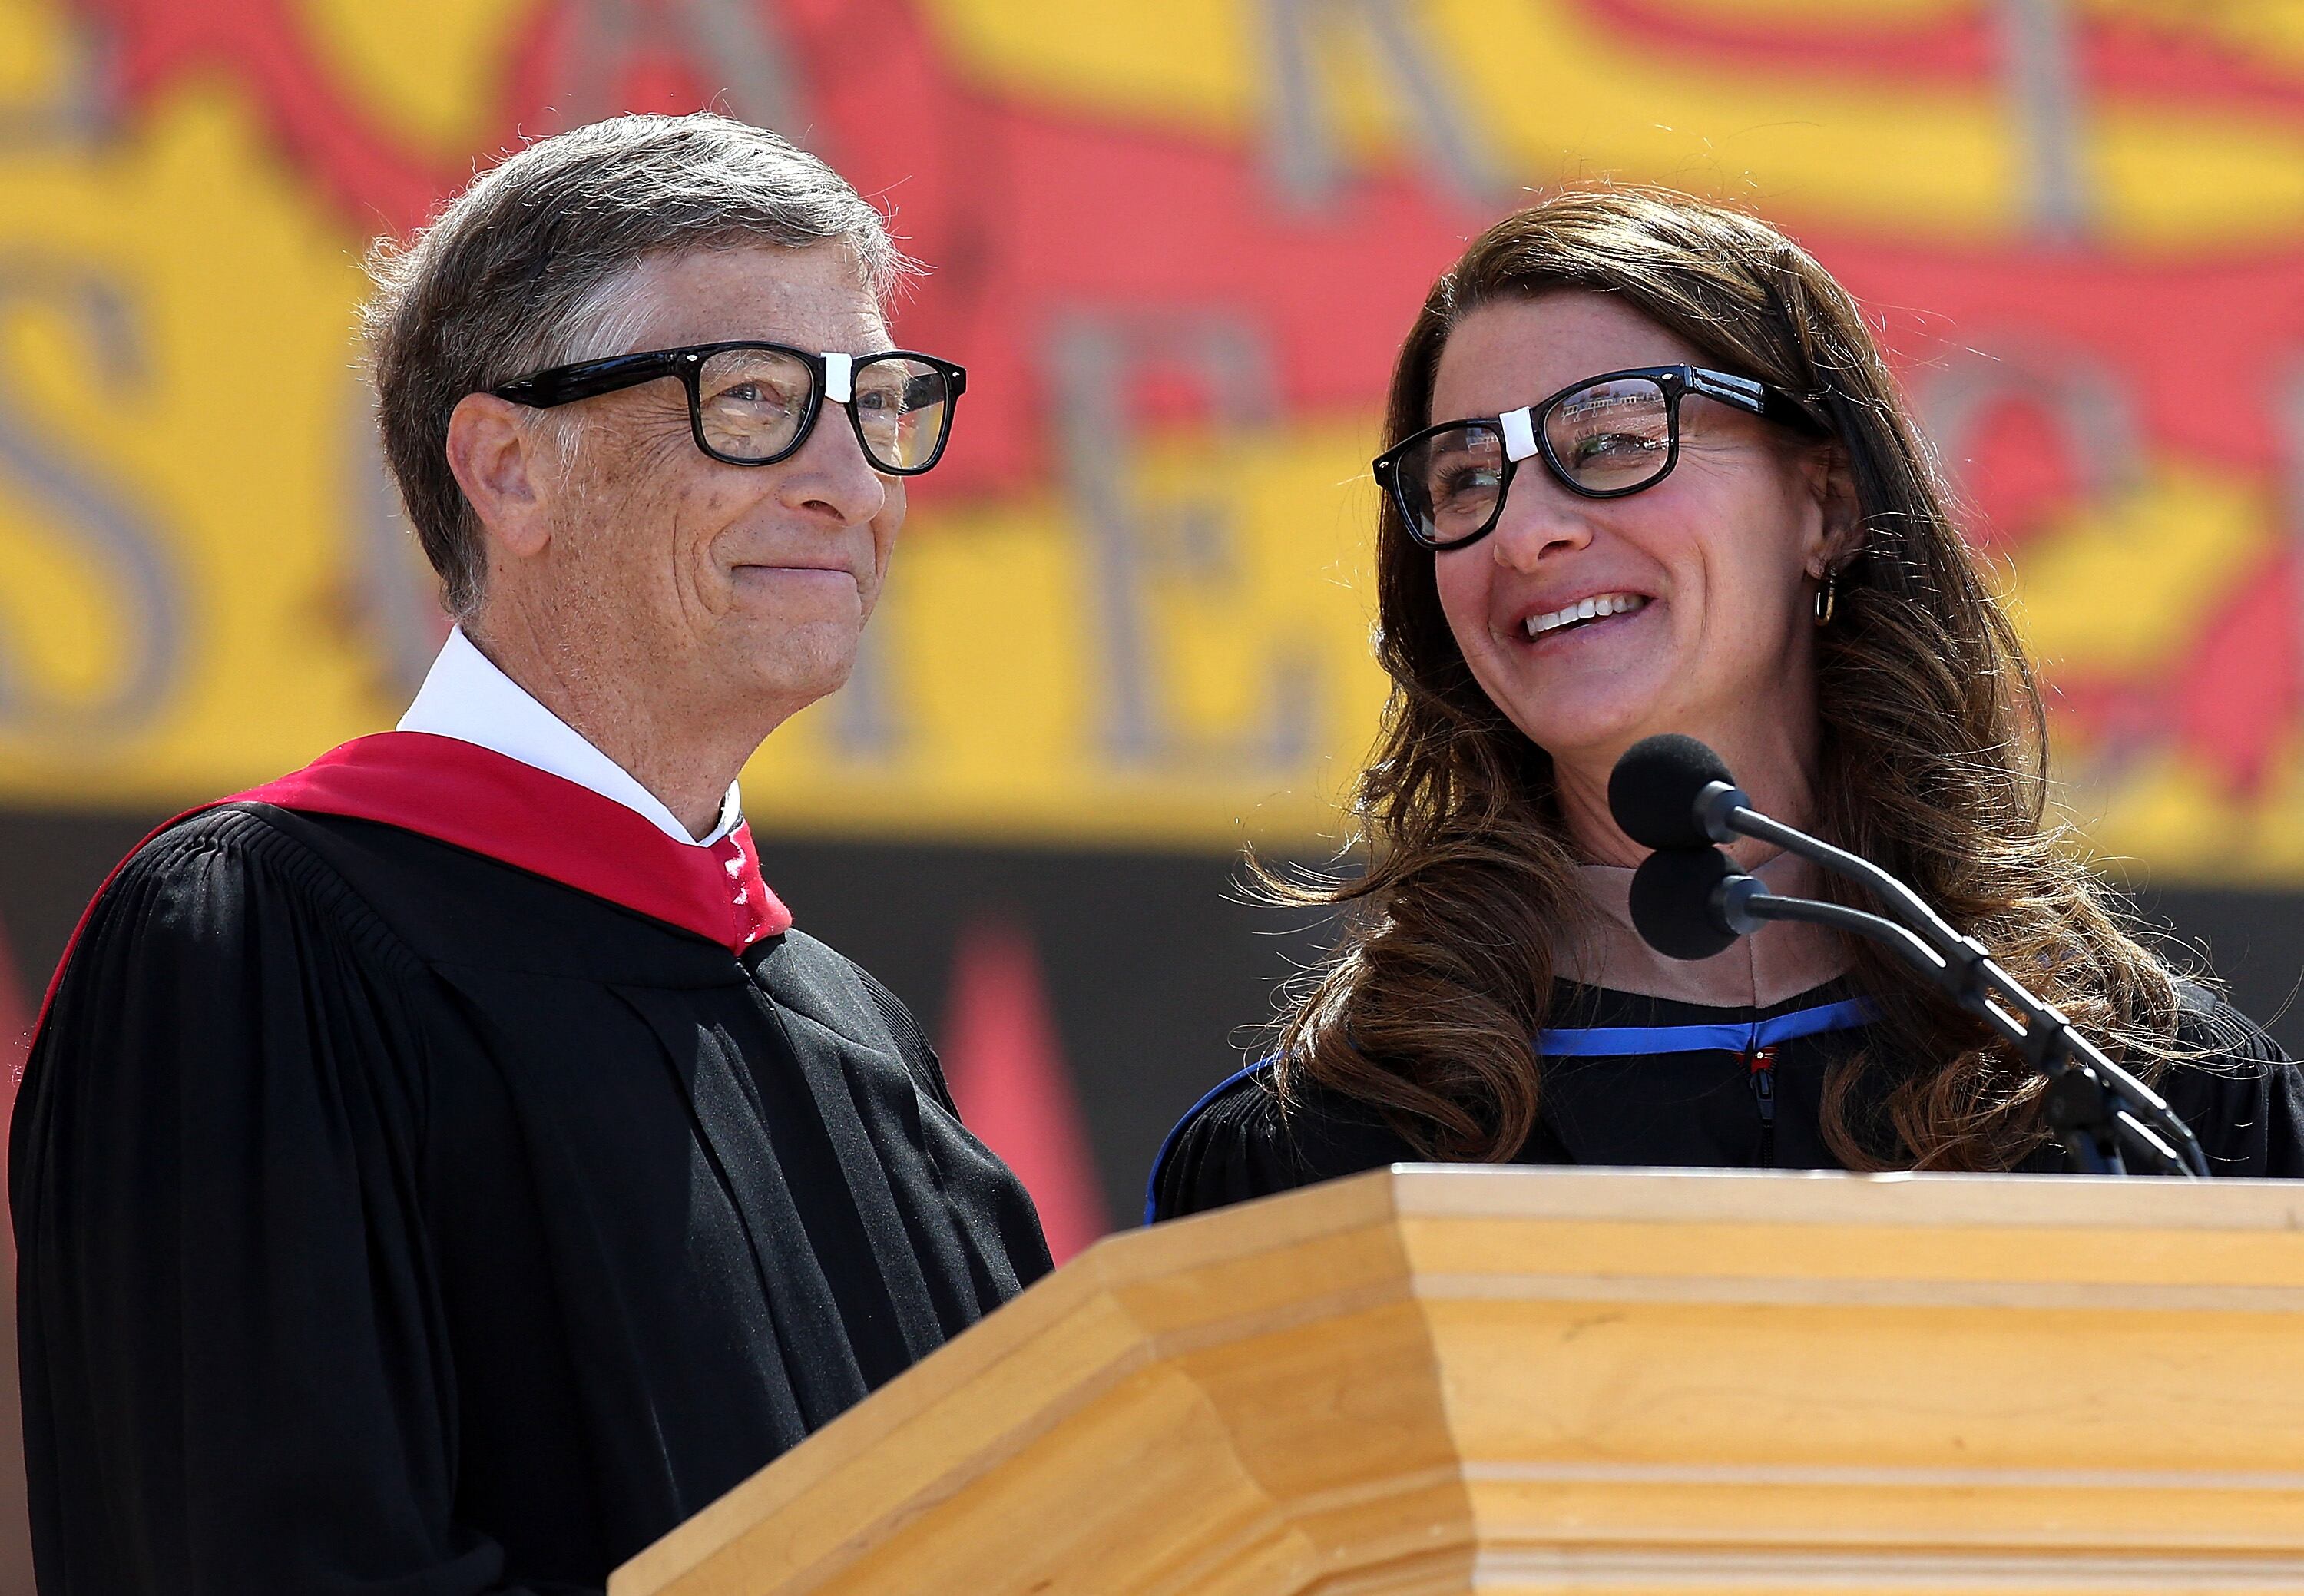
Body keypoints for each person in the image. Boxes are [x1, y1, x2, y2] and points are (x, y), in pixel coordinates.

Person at [12, 113, 1051, 1594]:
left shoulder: (866, 1051)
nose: (856, 482)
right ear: (509, 467)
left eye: (878, 402)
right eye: (751, 398)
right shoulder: (254, 950)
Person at [1149, 188, 2304, 1222]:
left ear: (1828, 503)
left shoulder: (2157, 1109)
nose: (1522, 526)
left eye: (1609, 439)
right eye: (1463, 477)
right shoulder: (1313, 1163)